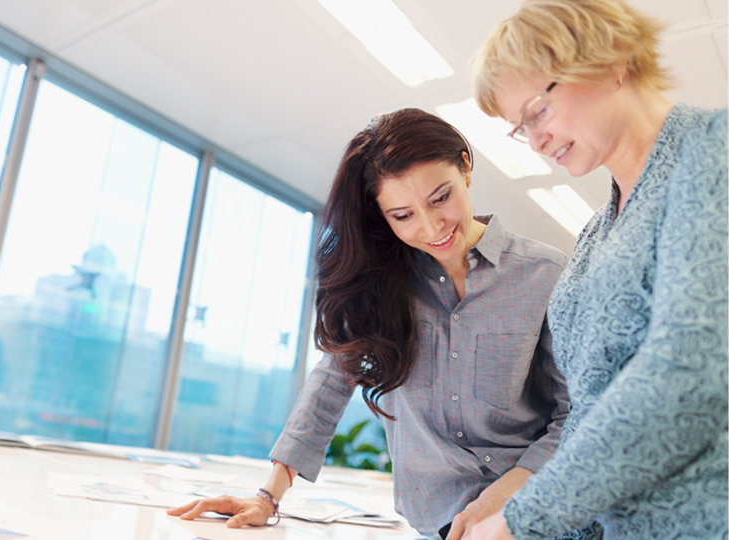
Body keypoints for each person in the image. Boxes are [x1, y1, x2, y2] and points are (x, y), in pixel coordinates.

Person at [168, 108, 571, 538]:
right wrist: (267, 496)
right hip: (437, 524)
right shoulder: (380, 286)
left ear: (465, 168)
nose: (431, 226)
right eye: (403, 216)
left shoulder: (546, 273)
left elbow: (573, 413)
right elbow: (330, 384)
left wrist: (507, 494)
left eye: (440, 198)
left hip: (535, 512)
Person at [463, 1, 728, 539]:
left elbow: (691, 369)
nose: (534, 140)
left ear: (610, 62)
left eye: (537, 110)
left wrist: (523, 522)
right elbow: (587, 412)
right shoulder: (592, 237)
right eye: (520, 128)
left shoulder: (712, 148)